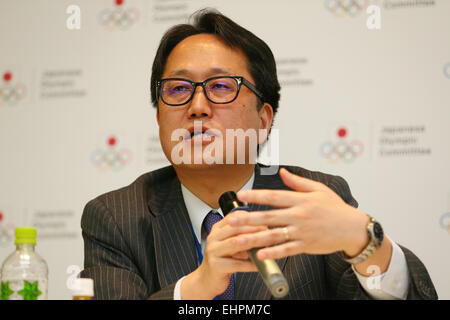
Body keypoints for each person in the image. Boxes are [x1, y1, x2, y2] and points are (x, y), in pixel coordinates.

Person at [80, 9, 437, 300]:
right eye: (178, 89)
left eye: (221, 86)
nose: (198, 106)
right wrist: (197, 287)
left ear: (263, 120)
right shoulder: (117, 219)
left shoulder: (309, 199)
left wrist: (365, 242)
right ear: (159, 115)